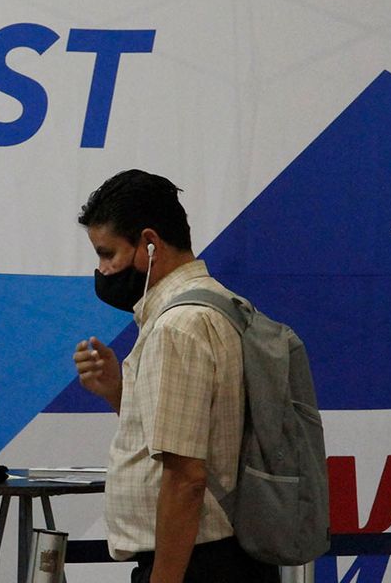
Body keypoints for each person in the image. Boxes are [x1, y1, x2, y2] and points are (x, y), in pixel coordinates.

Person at [72, 170, 276, 583]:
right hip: (224, 557)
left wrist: (163, 578)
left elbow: (186, 478)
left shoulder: (176, 326)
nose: (103, 269)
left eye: (107, 253)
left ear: (149, 243)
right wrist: (118, 392)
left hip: (197, 565)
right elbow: (195, 435)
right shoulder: (223, 304)